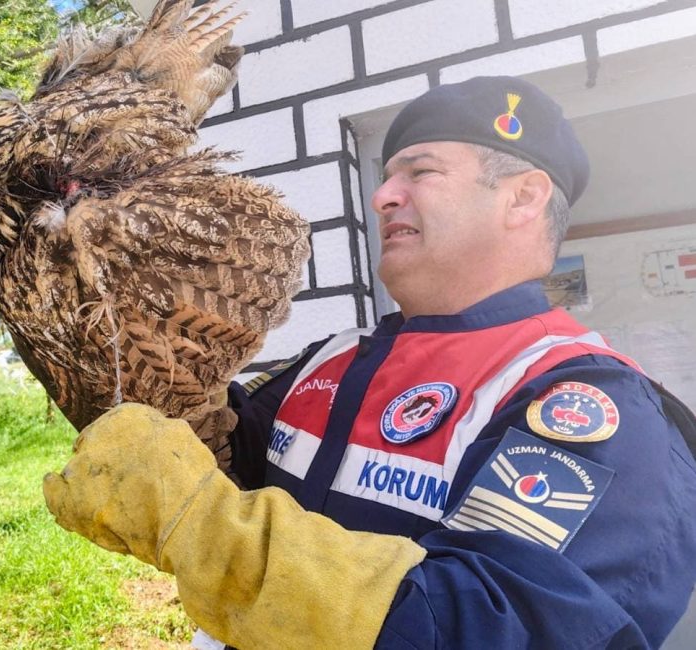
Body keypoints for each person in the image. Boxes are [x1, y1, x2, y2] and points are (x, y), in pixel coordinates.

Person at [42, 76, 696, 649]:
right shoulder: (335, 358)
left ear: (524, 198)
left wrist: (198, 526)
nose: (384, 195)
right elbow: (221, 454)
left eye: (421, 171)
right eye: (387, 176)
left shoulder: (585, 402)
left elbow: (481, 625)